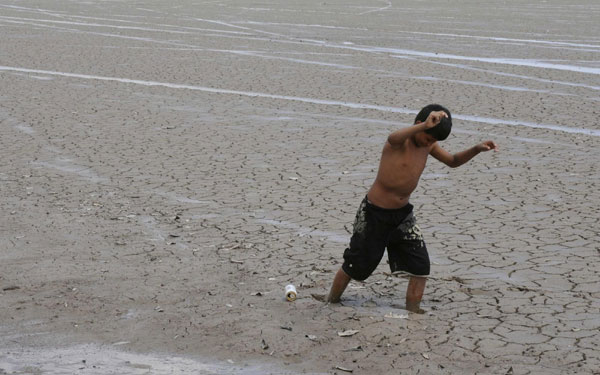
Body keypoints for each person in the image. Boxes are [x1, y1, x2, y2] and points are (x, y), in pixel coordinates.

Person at [326, 104, 498, 313]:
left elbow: (452, 161)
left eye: (433, 140)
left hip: (403, 215)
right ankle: (331, 300)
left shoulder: (428, 145)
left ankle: (413, 310)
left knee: (420, 266)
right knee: (357, 262)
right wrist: (424, 126)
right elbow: (392, 136)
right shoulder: (400, 143)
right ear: (419, 125)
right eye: (428, 137)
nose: (430, 143)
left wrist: (476, 149)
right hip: (375, 214)